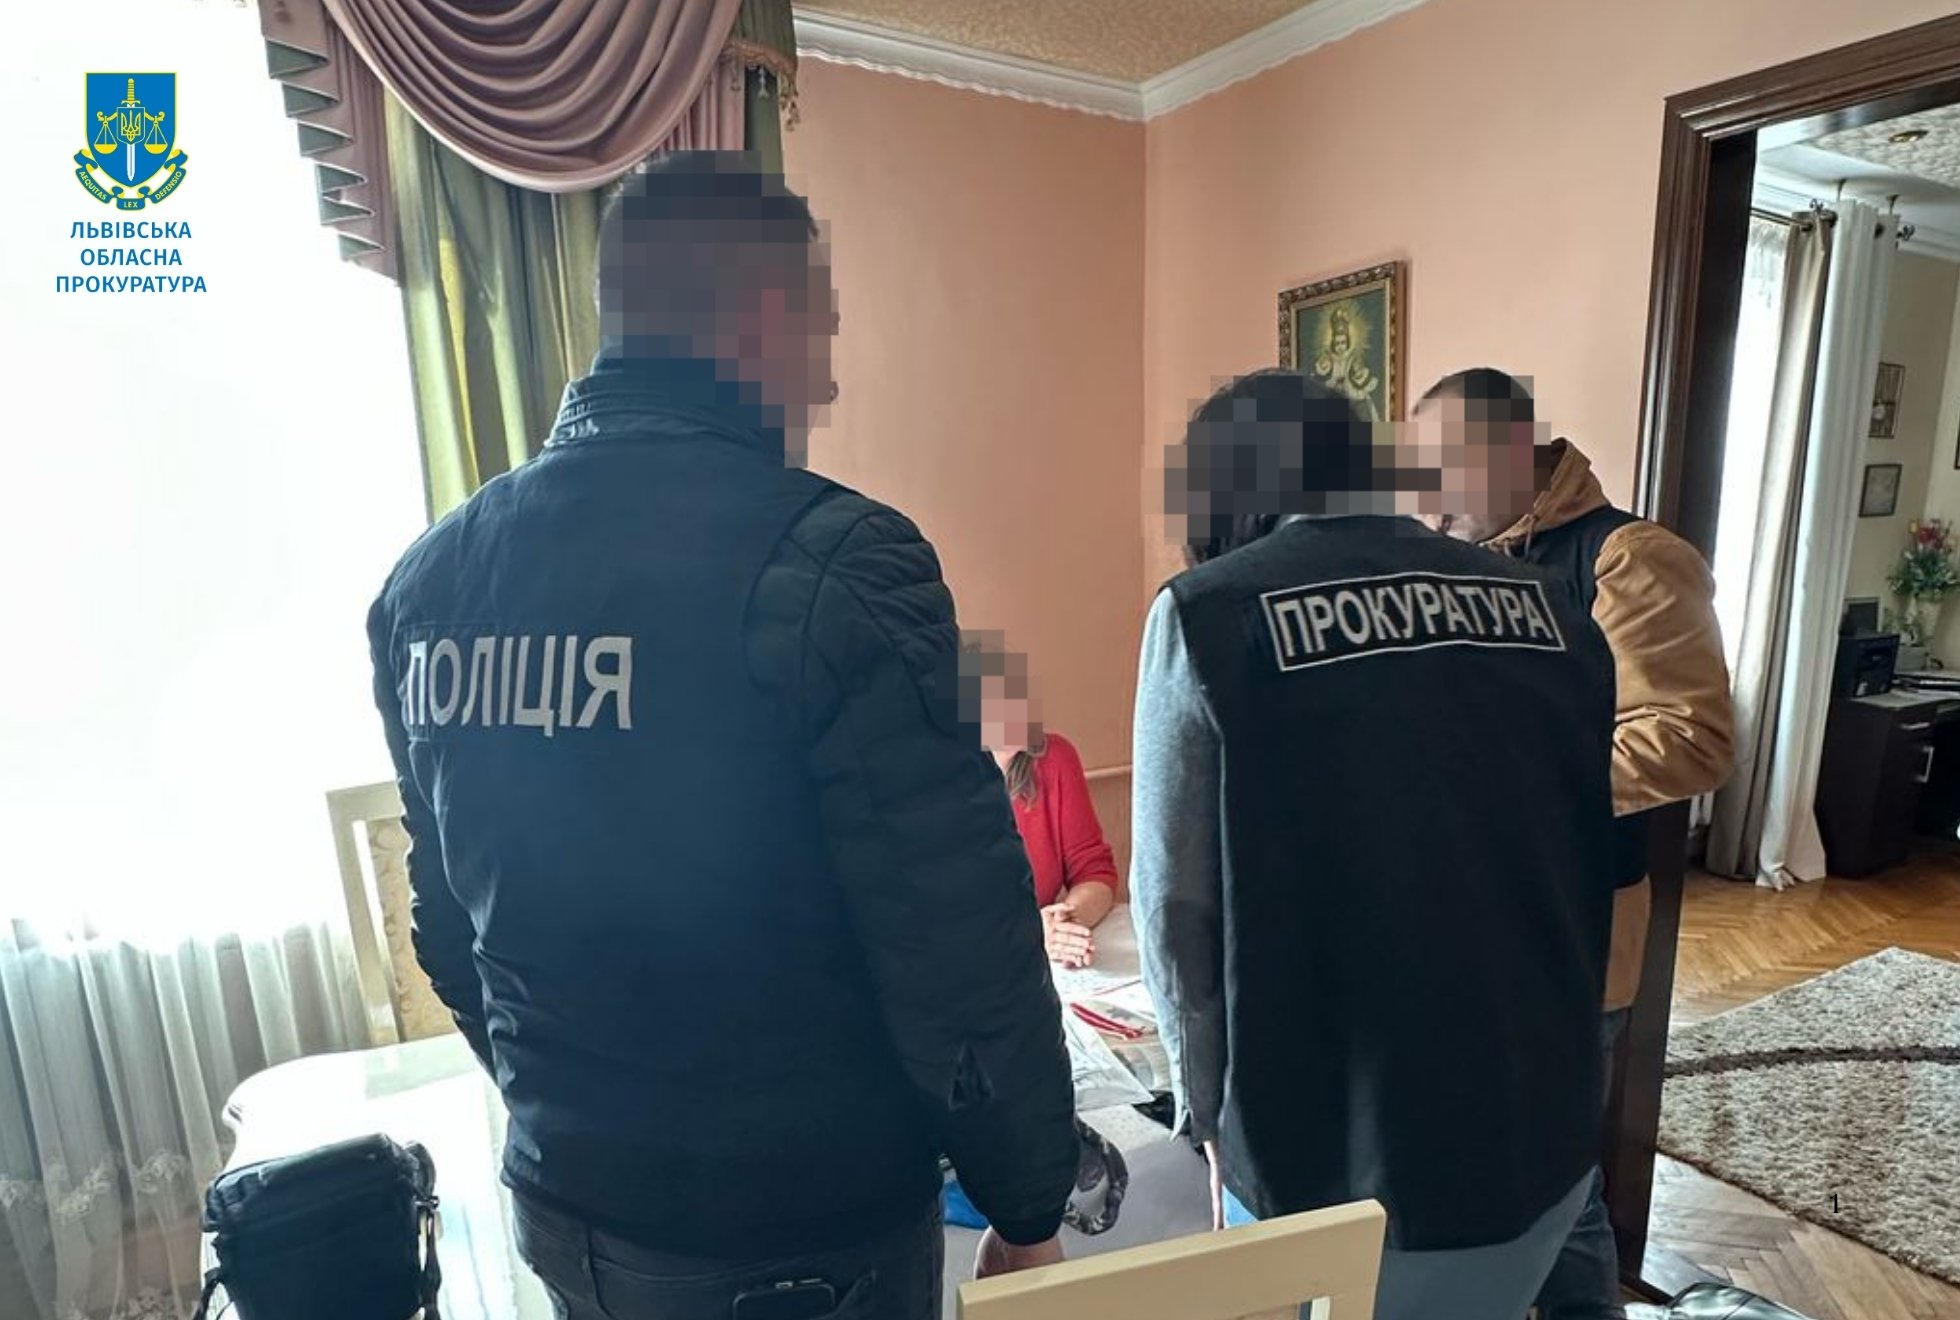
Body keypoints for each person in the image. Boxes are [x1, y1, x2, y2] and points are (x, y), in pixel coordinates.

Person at [366, 152, 1075, 1320]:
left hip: (567, 1204)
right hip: (796, 1235)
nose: (825, 381)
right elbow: (954, 941)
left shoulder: (428, 586)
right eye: (820, 334)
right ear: (759, 317)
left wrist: (572, 1113)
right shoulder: (836, 559)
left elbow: (448, 929)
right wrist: (1031, 1202)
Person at [1133, 369, 1620, 1320]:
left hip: (1334, 1148)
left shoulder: (1206, 616)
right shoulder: (1551, 606)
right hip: (1544, 1109)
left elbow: (1175, 910)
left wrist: (1203, 1115)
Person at [1414, 367, 1734, 1320]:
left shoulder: (1628, 557)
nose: (1427, 498)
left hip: (1573, 933)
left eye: (1442, 468)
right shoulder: (1455, 558)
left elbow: (1691, 737)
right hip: (1467, 919)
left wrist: (1508, 781)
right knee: (1488, 1155)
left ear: (1513, 452)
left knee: (1556, 1176)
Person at [962, 633, 1119, 969]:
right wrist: (1029, 933)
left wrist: (1066, 921)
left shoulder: (1056, 758)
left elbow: (1095, 870)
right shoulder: (939, 786)